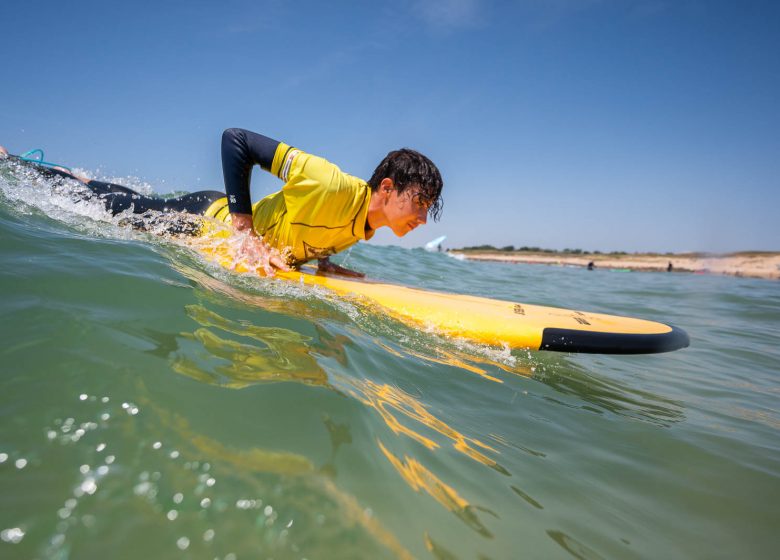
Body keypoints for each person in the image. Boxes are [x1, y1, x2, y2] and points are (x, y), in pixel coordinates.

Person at [1, 128, 443, 277]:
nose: (423, 219)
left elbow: (306, 230)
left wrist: (323, 264)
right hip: (202, 218)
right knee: (110, 209)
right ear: (386, 188)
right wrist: (244, 232)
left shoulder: (363, 225)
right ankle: (39, 169)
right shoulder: (329, 183)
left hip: (213, 215)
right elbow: (236, 140)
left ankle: (78, 176)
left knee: (129, 202)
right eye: (420, 203)